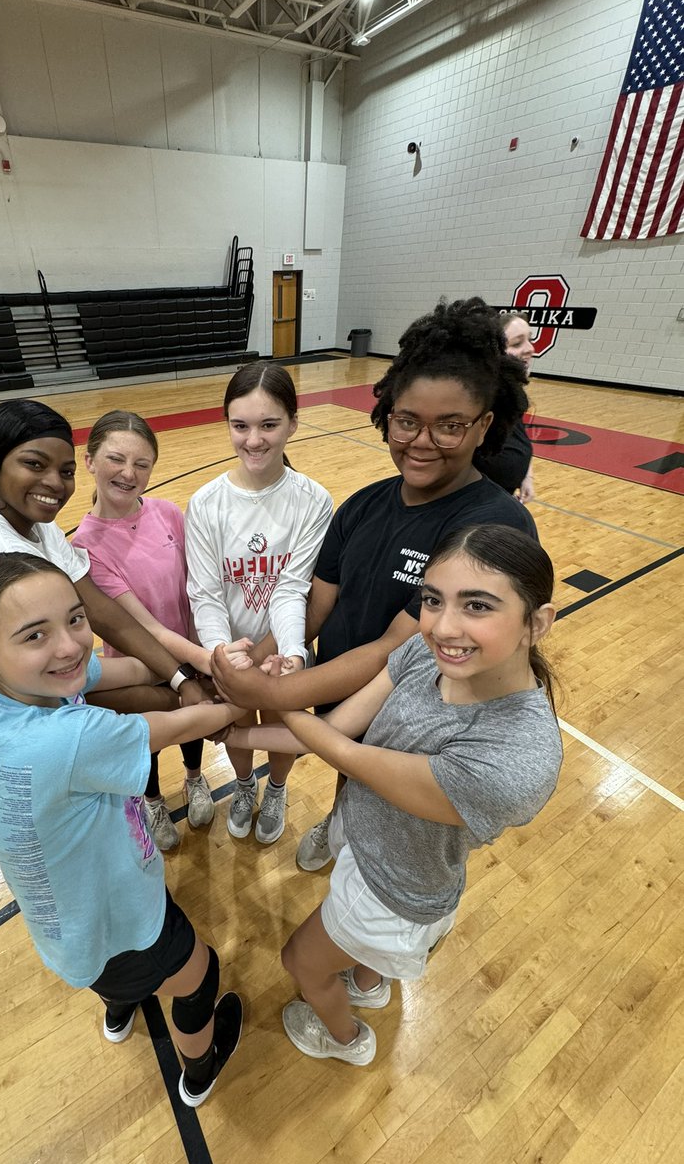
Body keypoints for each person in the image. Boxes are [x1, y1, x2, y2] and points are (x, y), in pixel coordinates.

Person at [208, 297, 537, 871]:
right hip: (340, 695)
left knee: (393, 834)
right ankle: (339, 823)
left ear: (484, 425)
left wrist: (272, 696)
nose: (422, 441)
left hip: (417, 725)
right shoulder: (363, 505)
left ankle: (356, 847)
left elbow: (396, 647)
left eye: (450, 426)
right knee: (348, 773)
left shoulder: (493, 525)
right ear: (387, 413)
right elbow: (314, 606)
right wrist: (250, 661)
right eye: (407, 420)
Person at [220, 524, 562, 1066]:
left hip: (395, 894)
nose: (444, 626)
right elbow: (333, 730)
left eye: (477, 605)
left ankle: (347, 1040)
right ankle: (369, 982)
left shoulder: (515, 759)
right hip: (369, 844)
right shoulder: (427, 657)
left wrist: (265, 694)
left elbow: (346, 754)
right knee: (359, 959)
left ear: (535, 623)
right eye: (432, 600)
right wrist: (234, 732)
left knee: (301, 964)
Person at [0, 551, 244, 1106]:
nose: (69, 645)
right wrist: (232, 700)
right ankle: (199, 1072)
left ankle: (119, 1009)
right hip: (122, 922)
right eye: (36, 635)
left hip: (68, 928)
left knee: (113, 976)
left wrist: (183, 672)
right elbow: (181, 725)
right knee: (201, 976)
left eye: (76, 619)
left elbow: (131, 668)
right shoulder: (67, 738)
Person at [0, 399, 209, 855]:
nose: (54, 483)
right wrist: (203, 704)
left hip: (0, 759)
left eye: (64, 471)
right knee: (85, 894)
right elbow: (92, 689)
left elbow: (104, 614)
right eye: (34, 464)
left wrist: (183, 682)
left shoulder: (34, 529)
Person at [72, 410, 245, 851]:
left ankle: (193, 778)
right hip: (140, 664)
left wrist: (206, 650)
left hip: (190, 647)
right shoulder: (85, 546)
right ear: (89, 461)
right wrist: (196, 664)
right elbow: (145, 628)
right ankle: (151, 799)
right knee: (147, 738)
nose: (128, 474)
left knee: (189, 726)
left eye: (142, 464)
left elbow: (200, 586)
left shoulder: (168, 513)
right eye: (115, 459)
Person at [185, 362, 333, 844]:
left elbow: (292, 587)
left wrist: (290, 652)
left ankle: (276, 787)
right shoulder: (206, 503)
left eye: (269, 424)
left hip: (280, 647)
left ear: (293, 422)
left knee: (281, 722)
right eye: (240, 425)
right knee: (236, 725)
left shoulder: (313, 501)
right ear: (226, 422)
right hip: (228, 650)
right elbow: (205, 594)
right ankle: (245, 786)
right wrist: (222, 653)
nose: (254, 439)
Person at [474, 311, 537, 501]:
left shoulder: (510, 392)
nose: (530, 348)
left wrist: (526, 475)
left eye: (529, 339)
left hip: (503, 497)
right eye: (517, 343)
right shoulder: (475, 398)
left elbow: (520, 437)